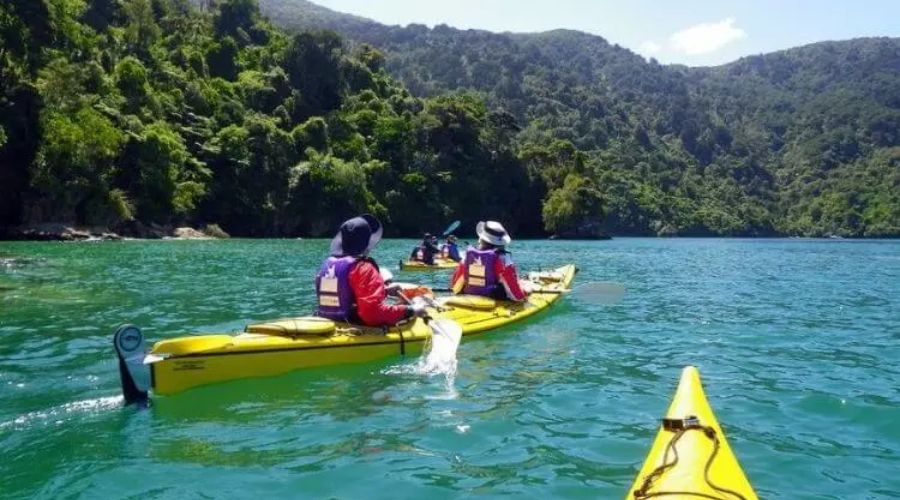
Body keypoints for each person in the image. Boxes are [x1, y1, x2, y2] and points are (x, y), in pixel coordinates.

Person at [316, 214, 428, 326]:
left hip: (329, 323)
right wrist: (410, 310)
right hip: (354, 326)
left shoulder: (326, 264)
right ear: (367, 243)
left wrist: (384, 291)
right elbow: (371, 314)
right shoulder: (364, 268)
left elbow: (345, 294)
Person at [450, 221, 527, 301]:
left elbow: (455, 286)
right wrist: (526, 292)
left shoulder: (467, 256)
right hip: (492, 297)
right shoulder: (504, 259)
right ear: (501, 243)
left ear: (481, 238)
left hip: (469, 296)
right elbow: (516, 296)